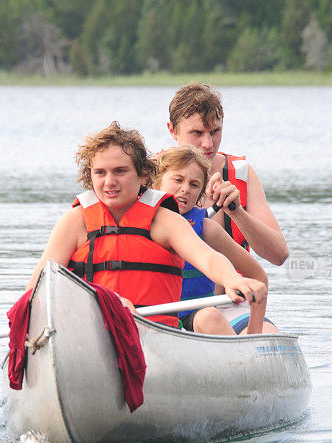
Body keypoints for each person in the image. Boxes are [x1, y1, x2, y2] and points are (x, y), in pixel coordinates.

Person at [26, 121, 266, 329]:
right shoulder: (75, 221)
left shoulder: (165, 220)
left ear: (143, 175)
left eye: (120, 171)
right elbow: (40, 284)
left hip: (154, 331)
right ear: (90, 176)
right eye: (100, 173)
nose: (109, 182)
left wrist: (232, 279)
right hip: (93, 329)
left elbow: (207, 258)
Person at [153, 145, 279, 335]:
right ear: (156, 184)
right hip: (149, 315)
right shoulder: (139, 223)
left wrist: (254, 330)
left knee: (209, 316)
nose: (185, 189)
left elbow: (258, 276)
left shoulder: (208, 229)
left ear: (201, 194)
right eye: (178, 180)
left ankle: (242, 357)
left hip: (195, 317)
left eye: (194, 185)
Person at [167, 82, 289, 266]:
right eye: (197, 133)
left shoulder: (240, 173)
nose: (208, 144)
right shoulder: (152, 173)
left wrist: (236, 212)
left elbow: (279, 255)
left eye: (215, 131)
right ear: (172, 130)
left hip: (231, 294)